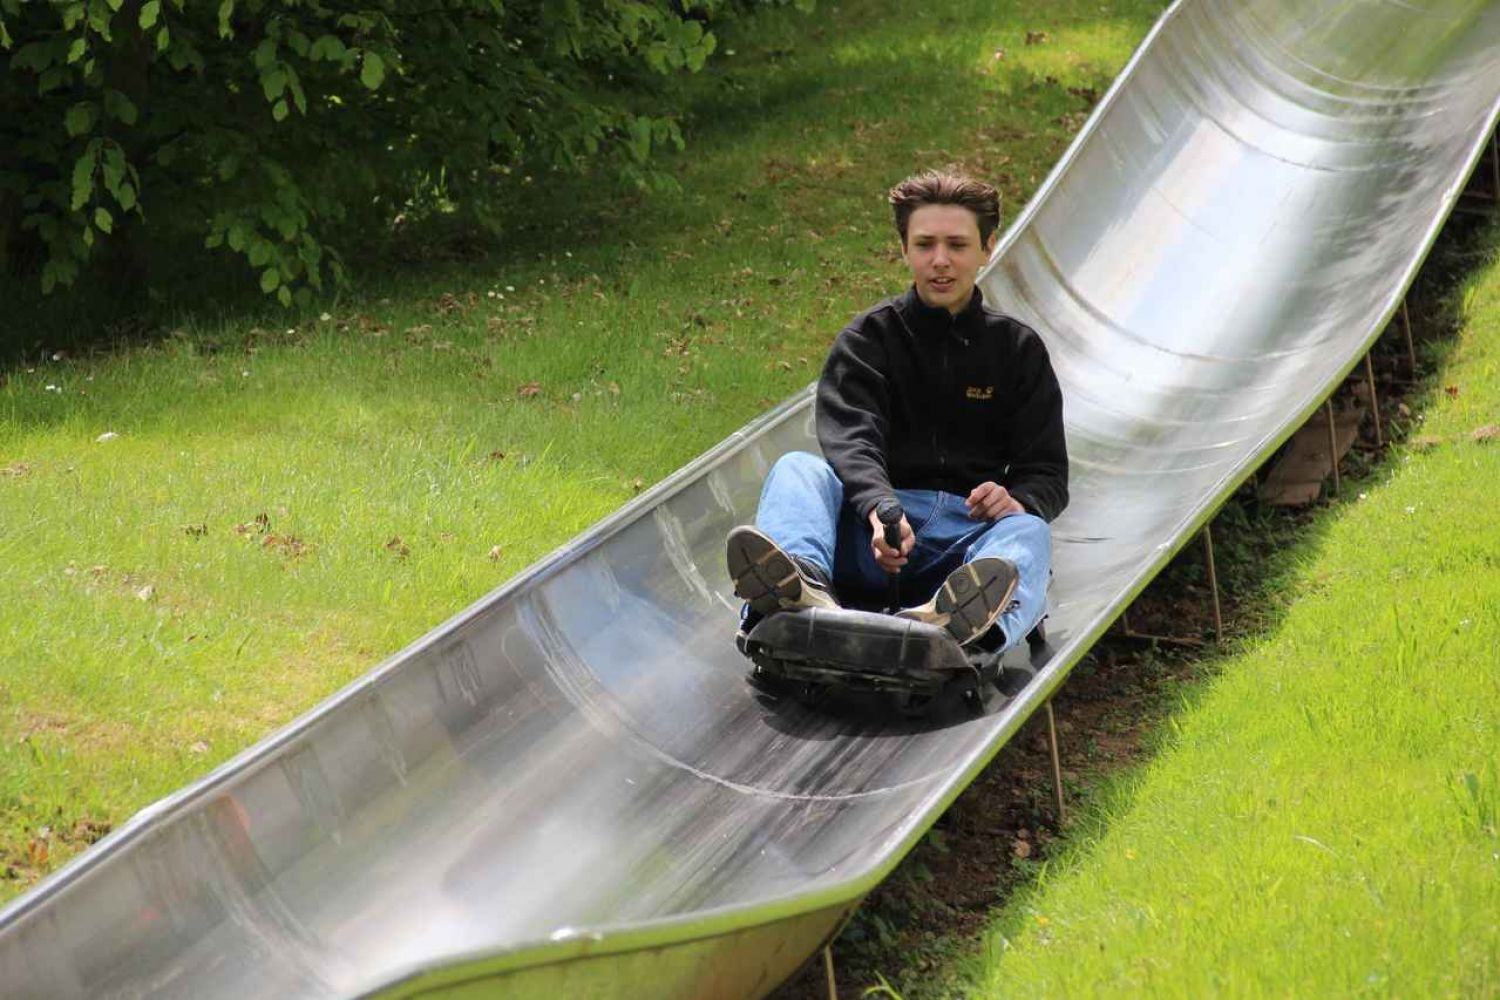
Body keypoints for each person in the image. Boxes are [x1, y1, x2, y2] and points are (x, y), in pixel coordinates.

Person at [725, 169, 1067, 651]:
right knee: (797, 468)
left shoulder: (1018, 350)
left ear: (987, 248)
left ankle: (970, 625)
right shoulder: (868, 341)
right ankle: (796, 590)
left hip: (964, 545)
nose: (940, 260)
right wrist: (878, 509)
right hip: (872, 530)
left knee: (1028, 529)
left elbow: (1047, 471)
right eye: (925, 245)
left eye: (957, 245)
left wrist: (1017, 500)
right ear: (904, 249)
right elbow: (852, 440)